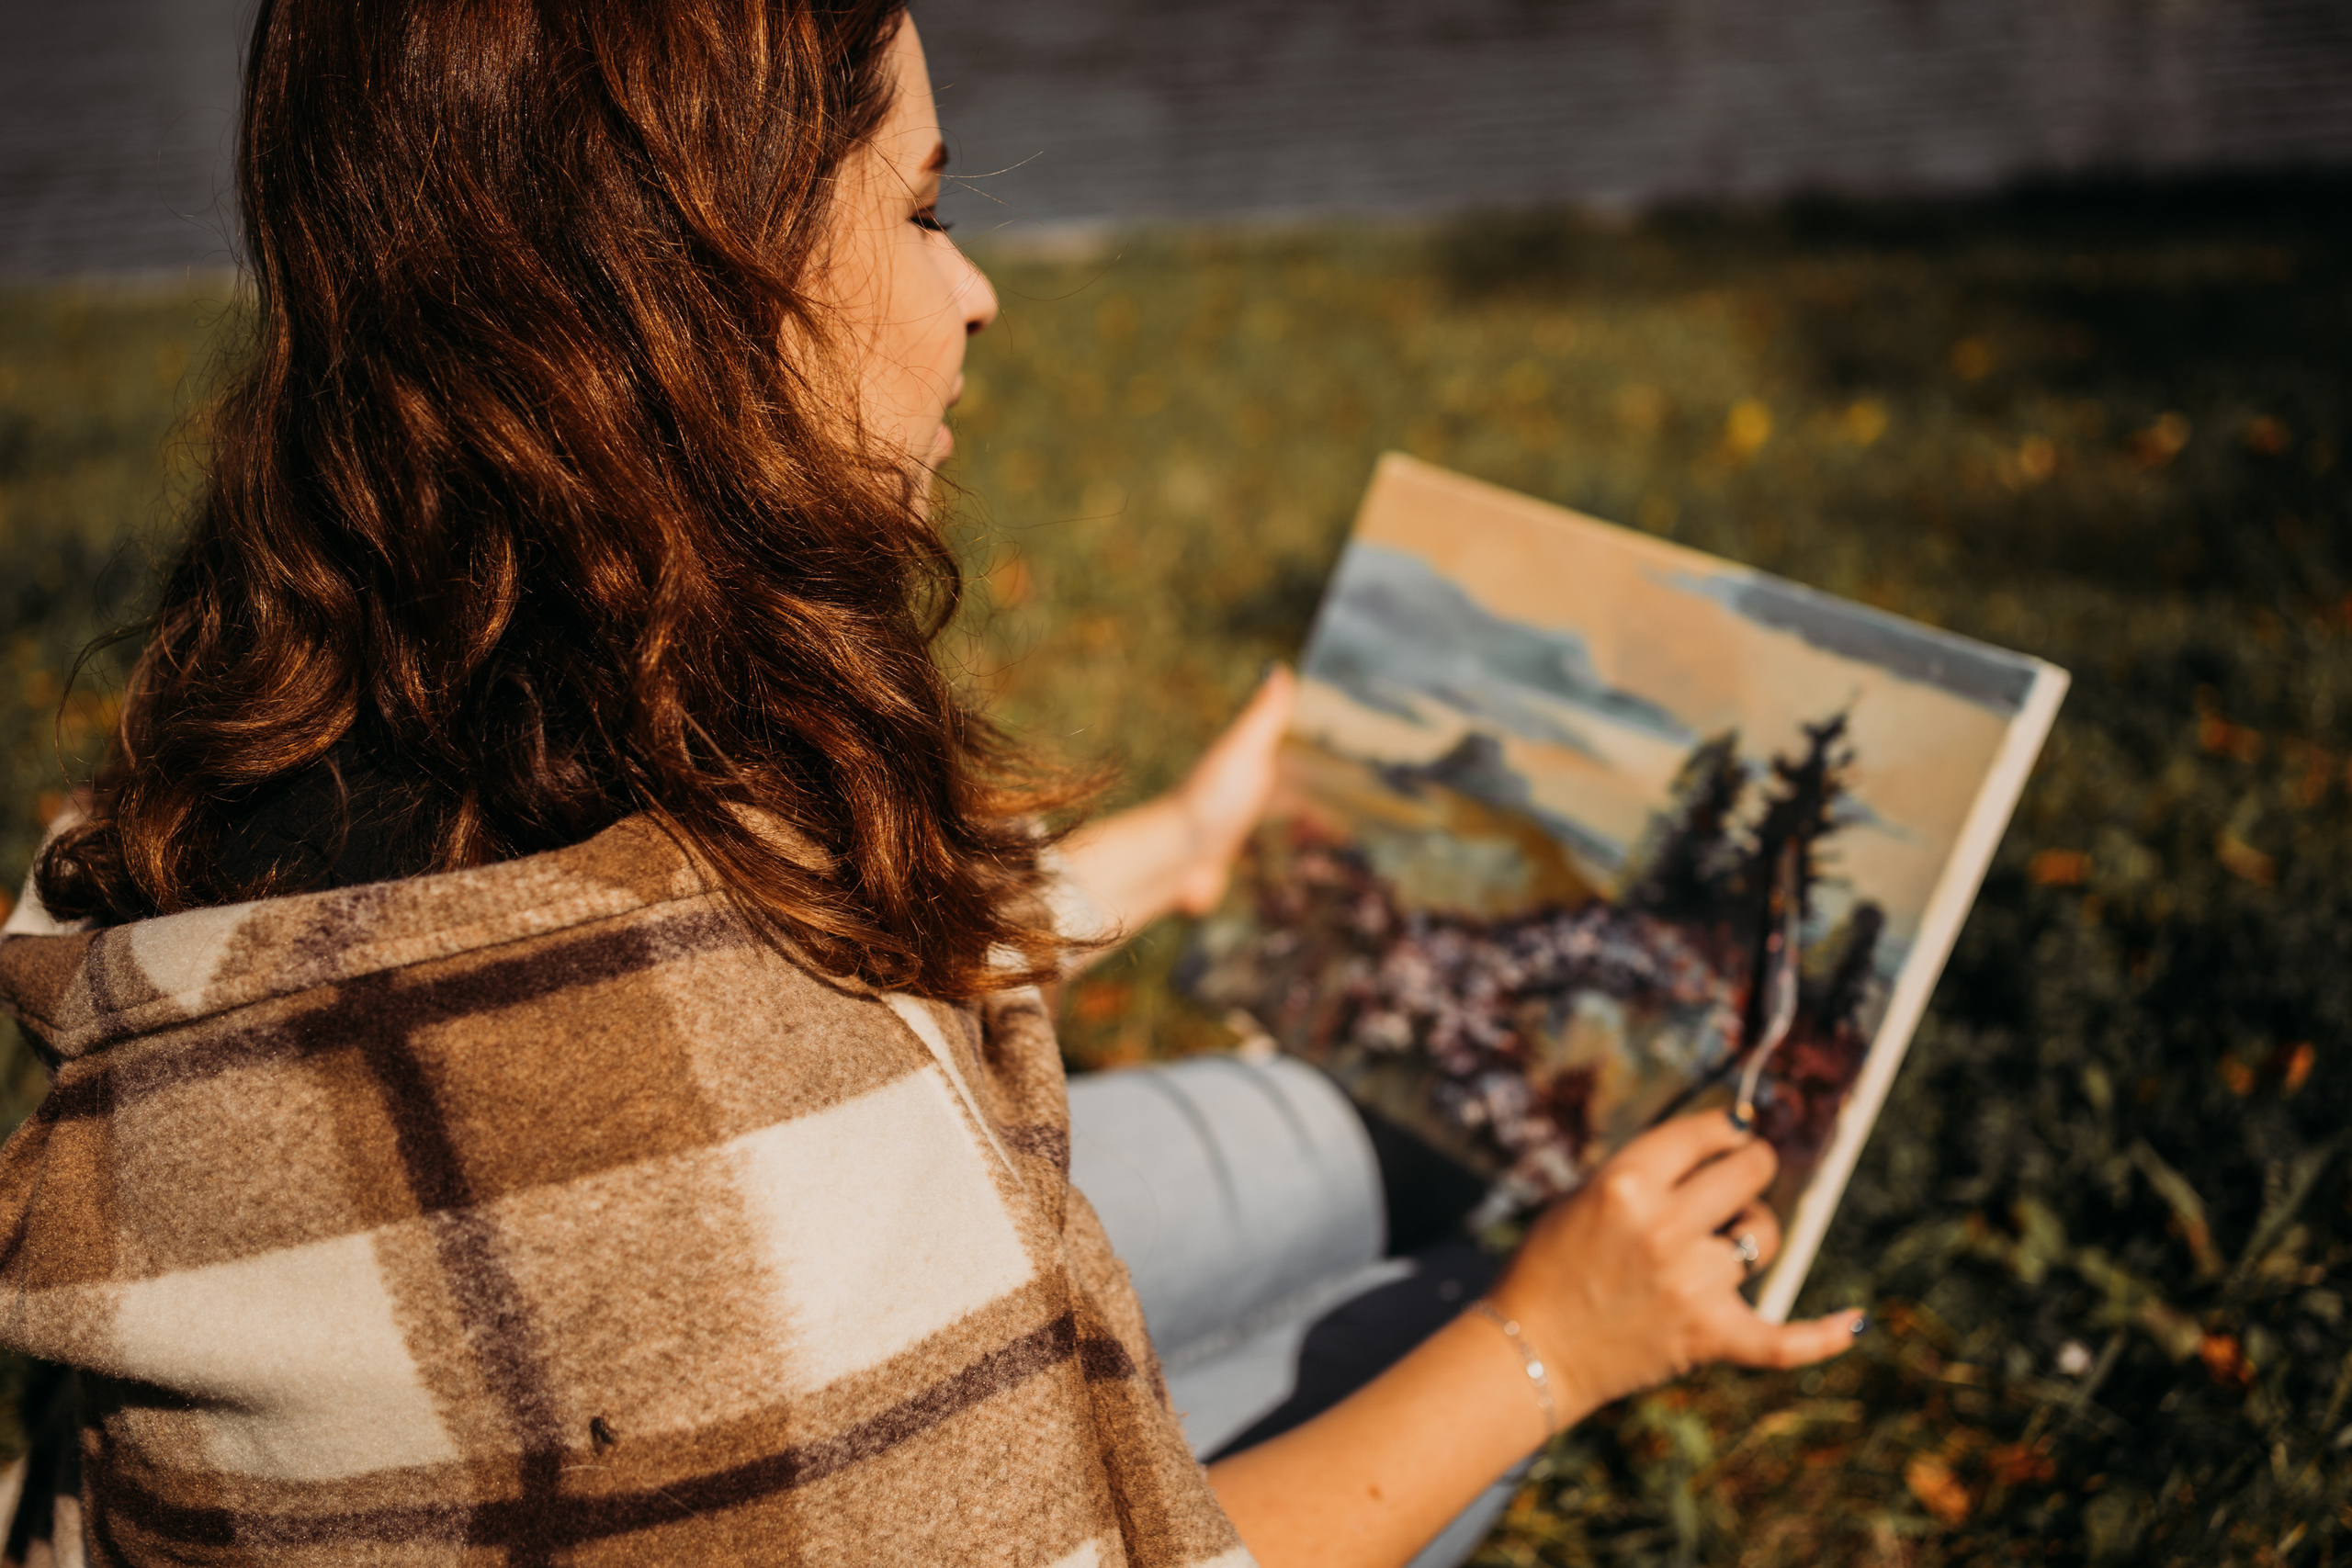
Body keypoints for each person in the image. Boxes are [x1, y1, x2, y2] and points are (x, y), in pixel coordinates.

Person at [0, 4, 1862, 1565]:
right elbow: (756, 1121)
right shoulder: (721, 1140)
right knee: (1450, 1310)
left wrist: (1166, 855)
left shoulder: (301, 741)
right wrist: (1552, 1342)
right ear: (694, 284)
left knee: (1323, 1131)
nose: (971, 291)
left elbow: (763, 987)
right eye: (920, 208)